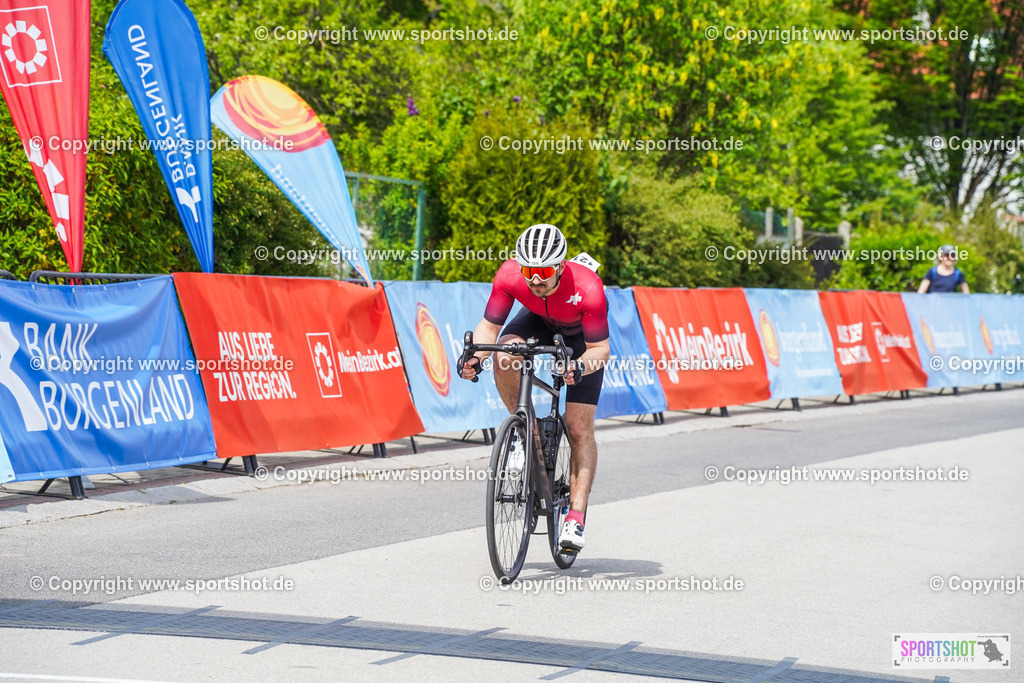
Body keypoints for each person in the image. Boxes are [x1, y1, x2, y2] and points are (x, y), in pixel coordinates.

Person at [460, 224, 610, 552]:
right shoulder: (510, 275)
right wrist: (476, 358)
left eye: (543, 271)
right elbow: (489, 328)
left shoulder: (589, 287)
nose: (535, 280)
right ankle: (524, 432)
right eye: (529, 271)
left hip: (580, 339)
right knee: (505, 355)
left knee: (578, 427)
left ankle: (575, 517)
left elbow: (600, 350)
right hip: (538, 321)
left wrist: (579, 367)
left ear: (561, 266)